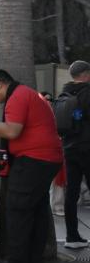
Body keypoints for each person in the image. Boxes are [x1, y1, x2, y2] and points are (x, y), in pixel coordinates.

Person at [0, 69, 63, 263]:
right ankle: (35, 257)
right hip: (46, 158)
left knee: (17, 206)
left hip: (34, 159)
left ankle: (16, 259)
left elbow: (12, 131)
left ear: (0, 84)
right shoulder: (26, 94)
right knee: (37, 207)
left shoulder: (18, 97)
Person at [59, 60, 90, 248]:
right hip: (87, 146)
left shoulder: (65, 92)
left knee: (71, 193)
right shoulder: (87, 92)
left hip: (69, 148)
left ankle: (72, 237)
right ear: (86, 74)